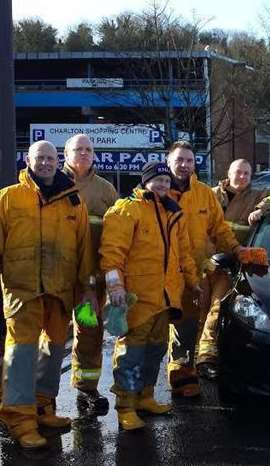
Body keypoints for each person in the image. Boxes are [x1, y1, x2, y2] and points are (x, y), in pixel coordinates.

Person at [0, 141, 95, 449]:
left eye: (50, 158)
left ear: (58, 162)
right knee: (21, 356)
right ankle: (19, 419)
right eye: (39, 157)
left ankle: (43, 408)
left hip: (60, 291)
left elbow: (84, 251)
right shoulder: (8, 198)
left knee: (53, 352)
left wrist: (88, 288)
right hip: (22, 291)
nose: (45, 163)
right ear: (28, 160)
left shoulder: (74, 201)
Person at [100, 161, 200, 431]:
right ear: (145, 182)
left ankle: (145, 396)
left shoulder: (173, 214)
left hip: (165, 298)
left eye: (166, 182)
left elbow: (184, 252)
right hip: (136, 298)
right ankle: (126, 406)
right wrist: (115, 287)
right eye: (158, 181)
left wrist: (193, 281)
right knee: (132, 352)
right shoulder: (126, 210)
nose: (163, 185)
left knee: (155, 350)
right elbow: (111, 254)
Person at [196, 159, 270, 376]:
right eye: (238, 172)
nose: (242, 177)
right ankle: (190, 361)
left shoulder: (256, 196)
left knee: (216, 309)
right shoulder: (210, 194)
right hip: (202, 261)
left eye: (247, 174)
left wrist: (261, 210)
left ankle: (206, 358)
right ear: (228, 174)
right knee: (197, 309)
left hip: (229, 264)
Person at [164, 141, 242, 396]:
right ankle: (139, 390)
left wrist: (236, 250)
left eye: (189, 160)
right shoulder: (157, 191)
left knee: (187, 323)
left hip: (195, 269)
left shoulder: (204, 194)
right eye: (179, 160)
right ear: (168, 161)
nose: (184, 165)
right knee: (156, 329)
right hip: (163, 271)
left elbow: (219, 228)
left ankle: (184, 378)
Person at [63, 133, 119, 414]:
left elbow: (116, 235)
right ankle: (39, 398)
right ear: (66, 153)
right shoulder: (52, 184)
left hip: (90, 282)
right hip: (55, 278)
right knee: (47, 336)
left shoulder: (106, 191)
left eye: (88, 149)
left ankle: (86, 390)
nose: (83, 153)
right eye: (78, 149)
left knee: (89, 332)